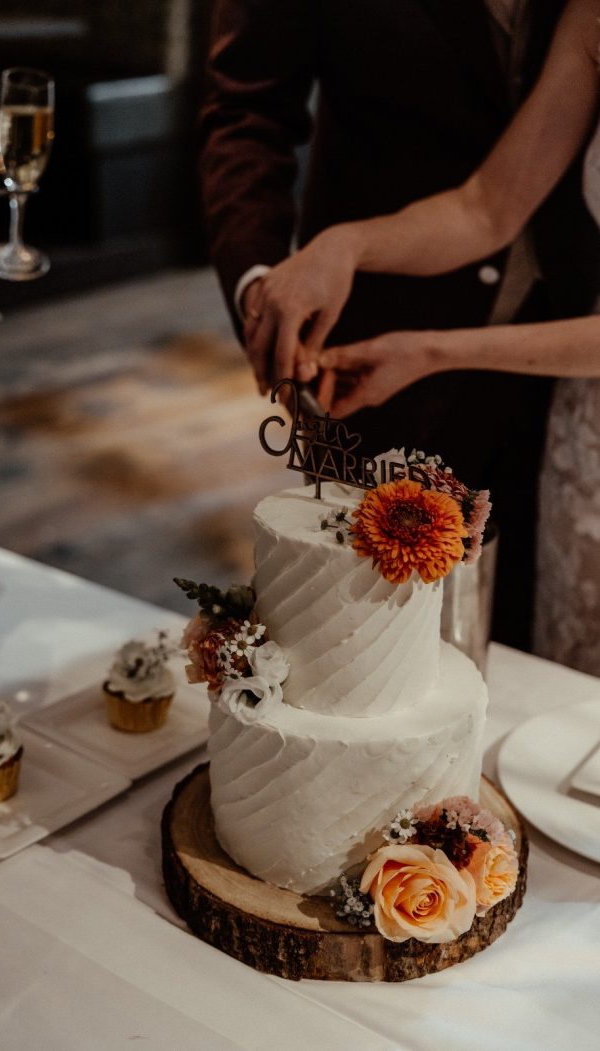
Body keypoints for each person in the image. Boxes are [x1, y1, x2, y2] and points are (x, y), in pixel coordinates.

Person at [198, 0, 600, 652]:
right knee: (374, 658)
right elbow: (486, 210)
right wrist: (338, 251)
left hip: (563, 363)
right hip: (393, 350)